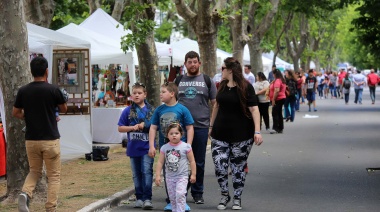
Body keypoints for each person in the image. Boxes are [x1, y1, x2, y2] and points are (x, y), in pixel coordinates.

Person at [13, 57, 67, 212]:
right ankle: (50, 208)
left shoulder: (23, 91)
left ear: (31, 72)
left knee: (34, 171)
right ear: (47, 71)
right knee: (54, 176)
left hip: (31, 139)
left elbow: (15, 112)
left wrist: (26, 115)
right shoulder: (53, 89)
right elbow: (64, 109)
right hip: (50, 139)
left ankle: (25, 193)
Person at [209, 57, 263, 210]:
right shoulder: (222, 86)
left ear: (230, 70)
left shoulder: (246, 87)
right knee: (220, 166)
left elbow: (254, 109)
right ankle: (225, 195)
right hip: (219, 133)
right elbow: (216, 106)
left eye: (222, 68)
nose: (221, 71)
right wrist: (211, 126)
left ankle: (237, 197)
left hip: (242, 135)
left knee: (237, 168)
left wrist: (257, 131)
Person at [174, 51, 217, 204]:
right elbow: (170, 102)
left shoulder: (207, 80)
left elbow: (215, 103)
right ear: (185, 64)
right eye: (189, 62)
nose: (192, 64)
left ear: (199, 63)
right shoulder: (178, 80)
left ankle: (198, 192)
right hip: (180, 128)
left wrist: (212, 124)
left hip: (201, 126)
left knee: (198, 161)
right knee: (179, 160)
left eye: (195, 62)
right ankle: (180, 191)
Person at [148, 82, 194, 211]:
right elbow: (153, 128)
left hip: (181, 149)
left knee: (182, 173)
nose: (160, 94)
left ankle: (181, 199)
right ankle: (172, 200)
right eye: (160, 92)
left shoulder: (182, 109)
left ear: (172, 94)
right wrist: (151, 145)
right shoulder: (159, 110)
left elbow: (190, 128)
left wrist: (188, 144)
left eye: (163, 92)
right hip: (165, 148)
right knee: (169, 173)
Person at [117, 82, 155, 209]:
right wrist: (132, 127)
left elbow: (156, 127)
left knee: (147, 172)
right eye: (134, 93)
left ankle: (147, 198)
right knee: (136, 174)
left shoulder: (151, 111)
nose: (137, 95)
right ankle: (139, 197)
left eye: (139, 93)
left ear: (145, 95)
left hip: (147, 147)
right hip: (133, 148)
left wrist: (152, 145)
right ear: (131, 95)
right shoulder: (127, 111)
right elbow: (120, 128)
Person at [155, 123, 197, 212]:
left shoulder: (186, 147)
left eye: (176, 133)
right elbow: (160, 162)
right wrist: (158, 175)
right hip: (170, 177)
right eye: (171, 133)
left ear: (181, 134)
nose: (174, 135)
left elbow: (192, 161)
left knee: (180, 194)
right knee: (173, 198)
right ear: (167, 135)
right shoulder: (164, 148)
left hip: (182, 176)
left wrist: (193, 174)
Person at [269, 69, 287, 134]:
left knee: (275, 113)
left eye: (273, 74)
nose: (273, 75)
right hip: (282, 98)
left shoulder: (278, 80)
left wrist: (273, 99)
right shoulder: (282, 80)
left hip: (278, 98)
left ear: (275, 74)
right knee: (279, 113)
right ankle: (280, 127)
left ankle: (275, 127)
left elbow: (276, 90)